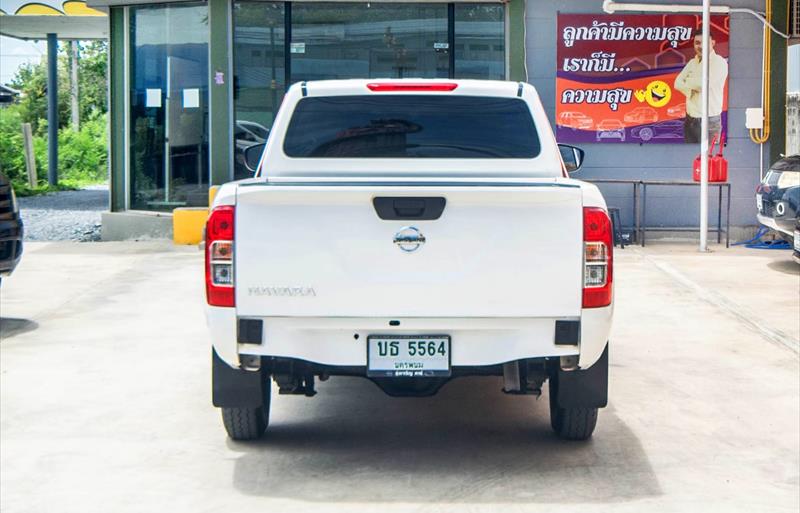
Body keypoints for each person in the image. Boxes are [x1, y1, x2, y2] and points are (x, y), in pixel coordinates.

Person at [674, 28, 729, 143]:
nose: (701, 46)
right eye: (697, 43)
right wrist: (692, 88)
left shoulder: (719, 62)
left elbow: (704, 84)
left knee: (709, 157)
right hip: (690, 119)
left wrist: (688, 81)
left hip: (709, 121)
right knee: (690, 156)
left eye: (704, 42)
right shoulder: (692, 62)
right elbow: (677, 83)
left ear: (713, 43)